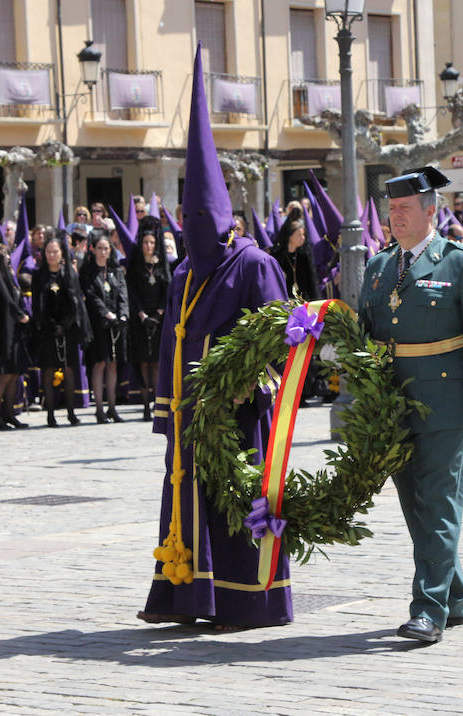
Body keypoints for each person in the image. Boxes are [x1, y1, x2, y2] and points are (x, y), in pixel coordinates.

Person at [138, 45, 293, 630]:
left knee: (233, 503)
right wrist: (165, 406)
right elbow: (169, 342)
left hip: (238, 413)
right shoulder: (183, 271)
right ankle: (184, 594)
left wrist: (249, 384)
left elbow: (282, 335)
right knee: (186, 501)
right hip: (187, 414)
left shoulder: (255, 266)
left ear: (225, 219)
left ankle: (242, 601)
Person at [358, 166, 463, 643]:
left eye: (404, 209)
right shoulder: (380, 268)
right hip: (393, 406)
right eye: (391, 209)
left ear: (430, 211)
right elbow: (366, 334)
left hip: (444, 403)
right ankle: (454, 595)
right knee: (414, 507)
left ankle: (428, 609)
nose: (394, 217)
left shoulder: (459, 262)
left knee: (439, 504)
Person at [31, 233, 92, 426]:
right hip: (48, 328)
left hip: (68, 328)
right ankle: (50, 414)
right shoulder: (39, 275)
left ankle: (71, 412)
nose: (51, 255)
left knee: (68, 370)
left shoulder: (69, 273)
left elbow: (75, 301)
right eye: (48, 251)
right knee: (48, 370)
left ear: (61, 253)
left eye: (55, 251)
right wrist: (50, 324)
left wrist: (65, 324)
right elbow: (37, 304)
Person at [81, 231, 128, 423]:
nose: (103, 252)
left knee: (113, 364)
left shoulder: (116, 271)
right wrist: (106, 313)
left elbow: (123, 293)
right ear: (93, 250)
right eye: (99, 248)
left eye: (106, 248)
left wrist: (123, 314)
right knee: (99, 363)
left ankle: (112, 407)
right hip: (98, 324)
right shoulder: (88, 271)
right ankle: (99, 409)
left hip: (116, 324)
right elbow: (92, 296)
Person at [127, 219, 171, 421]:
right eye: (145, 242)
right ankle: (145, 404)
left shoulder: (162, 265)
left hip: (159, 319)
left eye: (152, 243)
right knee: (143, 361)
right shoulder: (136, 266)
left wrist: (159, 313)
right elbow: (132, 292)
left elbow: (167, 291)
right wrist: (142, 315)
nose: (148, 246)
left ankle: (157, 403)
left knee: (156, 362)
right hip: (141, 319)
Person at [0, 233, 30, 429]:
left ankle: (9, 414)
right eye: (3, 255)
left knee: (14, 373)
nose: (7, 258)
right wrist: (21, 314)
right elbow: (7, 301)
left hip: (15, 331)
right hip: (2, 331)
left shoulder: (9, 276)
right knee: (4, 374)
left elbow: (16, 298)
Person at [270, 213, 318, 301]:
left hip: (302, 301)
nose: (303, 238)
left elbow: (310, 283)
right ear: (290, 236)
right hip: (283, 301)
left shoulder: (303, 256)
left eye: (304, 235)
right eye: (299, 235)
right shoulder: (277, 257)